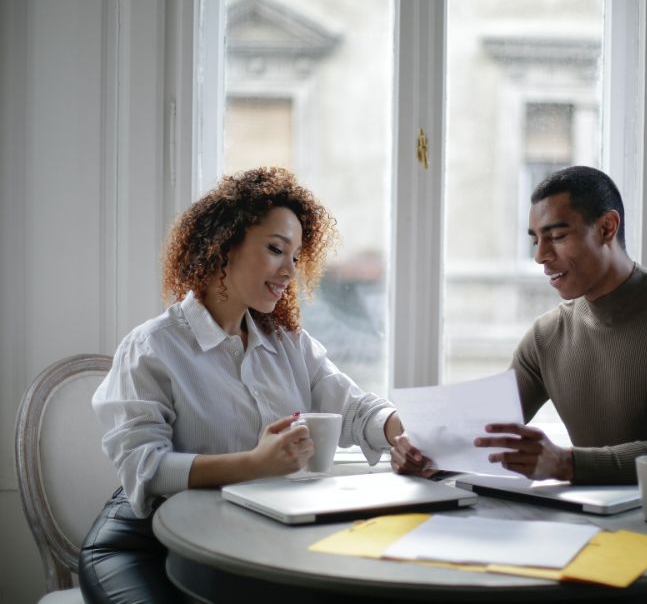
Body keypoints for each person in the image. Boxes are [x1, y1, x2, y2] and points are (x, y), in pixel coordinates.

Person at [79, 167, 405, 603]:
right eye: (276, 250)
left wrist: (405, 432)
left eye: (296, 257)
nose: (290, 270)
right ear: (224, 246)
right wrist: (255, 463)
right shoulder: (152, 346)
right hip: (144, 543)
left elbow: (359, 410)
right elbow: (146, 468)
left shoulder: (288, 344)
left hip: (243, 543)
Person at [392, 165, 647, 490]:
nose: (540, 256)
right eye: (535, 240)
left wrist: (565, 464)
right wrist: (425, 454)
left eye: (556, 236)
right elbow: (486, 435)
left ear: (607, 228)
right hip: (598, 521)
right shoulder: (547, 335)